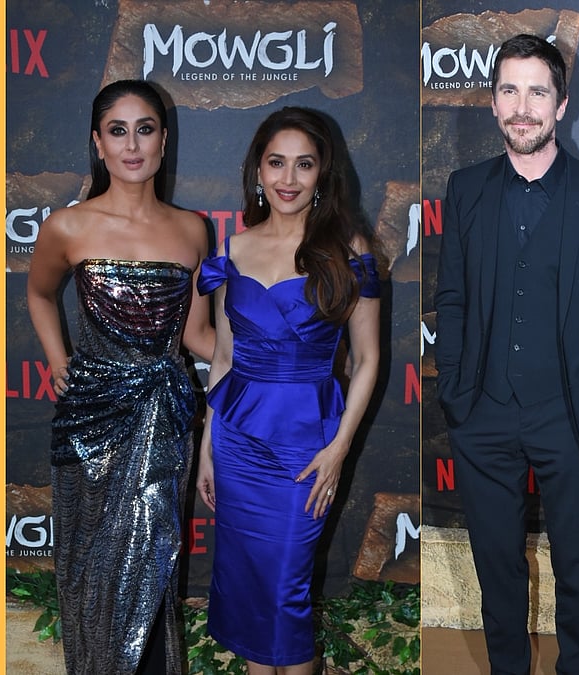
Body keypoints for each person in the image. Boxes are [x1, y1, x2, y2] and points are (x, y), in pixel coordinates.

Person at [433, 33, 579, 675]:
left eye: (537, 92)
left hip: (568, 413)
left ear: (561, 105)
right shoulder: (465, 189)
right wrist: (455, 390)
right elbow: (452, 297)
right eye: (509, 91)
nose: (523, 108)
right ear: (493, 103)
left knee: (577, 565)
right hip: (481, 413)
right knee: (496, 565)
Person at [26, 79, 214, 675]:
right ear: (98, 143)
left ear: (163, 140)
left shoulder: (193, 230)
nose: (132, 145)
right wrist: (58, 360)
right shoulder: (67, 226)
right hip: (90, 421)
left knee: (152, 560)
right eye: (118, 131)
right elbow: (38, 293)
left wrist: (278, 360)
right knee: (92, 568)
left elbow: (197, 335)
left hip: (163, 420)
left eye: (145, 129)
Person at [194, 107, 381, 674]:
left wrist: (338, 449)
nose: (289, 178)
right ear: (258, 169)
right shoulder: (232, 249)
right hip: (236, 442)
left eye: (304, 164)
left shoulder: (348, 249)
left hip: (306, 445)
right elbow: (223, 358)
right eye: (277, 163)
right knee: (249, 590)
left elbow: (368, 360)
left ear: (323, 172)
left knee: (285, 592)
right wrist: (207, 449)